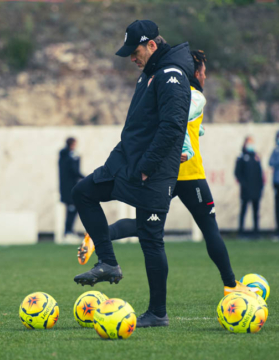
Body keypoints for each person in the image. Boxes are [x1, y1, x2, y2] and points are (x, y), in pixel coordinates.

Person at [76, 49, 257, 325]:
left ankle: (98, 238)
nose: (206, 75)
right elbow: (174, 124)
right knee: (208, 229)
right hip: (185, 175)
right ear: (195, 72)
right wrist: (185, 146)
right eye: (204, 70)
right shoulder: (193, 94)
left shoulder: (166, 83)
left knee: (145, 227)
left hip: (164, 174)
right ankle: (230, 284)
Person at [71, 20, 193, 328]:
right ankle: (109, 263)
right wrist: (122, 159)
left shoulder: (171, 75)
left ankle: (157, 313)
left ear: (152, 45)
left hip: (151, 173)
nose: (131, 58)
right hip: (126, 163)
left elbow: (172, 128)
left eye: (135, 51)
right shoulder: (149, 74)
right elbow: (140, 127)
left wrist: (145, 168)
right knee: (83, 192)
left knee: (151, 240)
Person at [235, 136, 264, 239]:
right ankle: (241, 232)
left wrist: (261, 187)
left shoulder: (256, 157)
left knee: (256, 212)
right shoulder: (241, 157)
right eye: (249, 143)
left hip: (256, 189)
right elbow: (237, 173)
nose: (251, 145)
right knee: (243, 211)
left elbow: (260, 174)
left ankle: (256, 233)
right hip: (246, 190)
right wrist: (244, 184)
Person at [58, 137, 84, 243]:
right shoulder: (68, 157)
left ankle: (69, 232)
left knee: (72, 210)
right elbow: (74, 171)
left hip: (68, 189)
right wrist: (86, 177)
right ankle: (67, 233)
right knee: (71, 209)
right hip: (69, 189)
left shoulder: (66, 156)